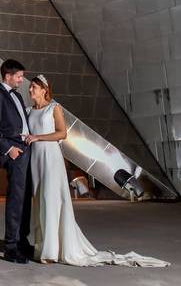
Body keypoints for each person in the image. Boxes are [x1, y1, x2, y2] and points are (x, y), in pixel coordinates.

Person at [23, 74, 169, 267]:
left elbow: (62, 133)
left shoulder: (54, 108)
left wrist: (37, 137)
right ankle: (43, 246)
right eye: (30, 86)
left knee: (52, 200)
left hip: (51, 159)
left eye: (34, 86)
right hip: (36, 160)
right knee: (40, 201)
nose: (30, 89)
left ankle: (52, 251)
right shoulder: (28, 111)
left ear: (44, 90)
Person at [0, 59, 33, 263]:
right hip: (15, 152)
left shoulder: (18, 96)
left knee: (25, 199)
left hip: (26, 150)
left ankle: (22, 241)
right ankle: (11, 247)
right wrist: (9, 149)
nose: (22, 80)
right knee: (15, 199)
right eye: (19, 76)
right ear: (8, 76)